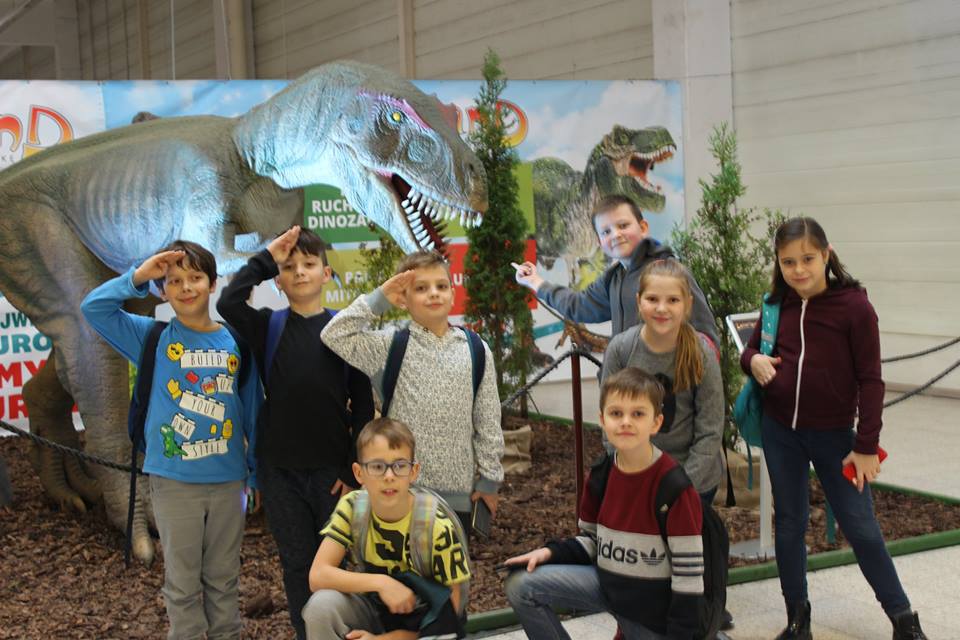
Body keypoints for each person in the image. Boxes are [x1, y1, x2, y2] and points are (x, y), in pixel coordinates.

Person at [740, 217, 927, 640]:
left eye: (807, 258)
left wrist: (867, 445)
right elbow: (750, 350)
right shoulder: (776, 304)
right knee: (790, 523)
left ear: (827, 254)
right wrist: (752, 360)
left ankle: (903, 619)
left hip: (836, 438)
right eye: (788, 262)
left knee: (860, 526)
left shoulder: (854, 307)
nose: (798, 269)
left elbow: (871, 380)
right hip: (780, 432)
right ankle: (797, 619)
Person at [81, 241, 260, 640]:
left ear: (213, 283)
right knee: (182, 586)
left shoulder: (236, 343)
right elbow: (94, 308)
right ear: (162, 291)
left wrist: (255, 473)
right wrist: (139, 276)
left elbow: (252, 411)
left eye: (195, 277)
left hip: (229, 482)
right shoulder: (151, 337)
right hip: (173, 482)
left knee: (224, 581)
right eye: (174, 281)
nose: (186, 287)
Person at [216, 225, 375, 640]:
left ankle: (339, 632)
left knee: (335, 565)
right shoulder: (267, 326)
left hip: (331, 476)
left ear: (326, 274)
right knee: (297, 565)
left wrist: (350, 467)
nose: (299, 272)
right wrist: (266, 259)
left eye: (309, 264)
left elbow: (362, 406)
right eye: (289, 267)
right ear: (278, 280)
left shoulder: (344, 331)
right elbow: (229, 302)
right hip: (280, 473)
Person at [504, 367, 703, 639]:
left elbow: (688, 576)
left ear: (656, 423)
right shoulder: (601, 475)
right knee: (521, 585)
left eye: (638, 414)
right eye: (616, 413)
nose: (626, 422)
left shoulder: (674, 486)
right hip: (610, 588)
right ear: (602, 419)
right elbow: (592, 541)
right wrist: (550, 553)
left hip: (652, 615)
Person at [320, 250, 504, 527]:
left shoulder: (476, 349)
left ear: (453, 294)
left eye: (441, 286)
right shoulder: (388, 346)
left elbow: (487, 419)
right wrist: (380, 298)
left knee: (451, 556)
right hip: (399, 495)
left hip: (459, 500)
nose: (434, 293)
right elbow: (333, 334)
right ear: (403, 300)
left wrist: (489, 480)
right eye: (421, 288)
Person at [302, 417, 470, 640]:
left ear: (413, 471)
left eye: (399, 466)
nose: (389, 476)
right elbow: (318, 575)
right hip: (375, 609)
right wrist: (383, 583)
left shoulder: (435, 527)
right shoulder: (354, 508)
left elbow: (451, 616)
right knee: (320, 608)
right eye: (377, 467)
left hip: (425, 627)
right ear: (359, 473)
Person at [513, 194, 718, 347]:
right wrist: (535, 282)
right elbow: (578, 305)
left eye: (623, 225)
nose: (616, 235)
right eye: (606, 231)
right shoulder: (613, 279)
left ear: (643, 227)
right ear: (599, 241)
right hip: (624, 389)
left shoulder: (671, 272)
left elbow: (707, 340)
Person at [601, 258, 724, 501]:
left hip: (691, 481)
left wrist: (679, 487)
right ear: (639, 301)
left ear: (687, 304)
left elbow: (710, 430)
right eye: (652, 299)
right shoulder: (621, 350)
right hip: (634, 476)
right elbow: (610, 421)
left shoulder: (701, 354)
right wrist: (632, 475)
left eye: (673, 300)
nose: (661, 308)